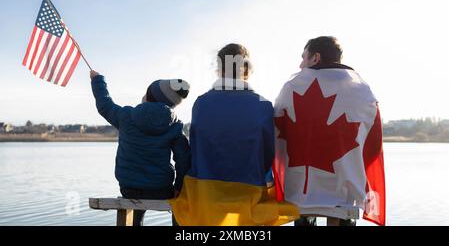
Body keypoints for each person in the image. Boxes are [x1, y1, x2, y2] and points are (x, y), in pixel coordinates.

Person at [169, 44, 299, 226]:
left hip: (206, 193)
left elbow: (197, 148)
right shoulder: (263, 105)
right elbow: (269, 155)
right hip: (249, 192)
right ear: (247, 70)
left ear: (219, 69)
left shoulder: (201, 103)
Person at [273, 36, 386, 226]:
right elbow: (373, 146)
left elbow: (276, 132)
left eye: (304, 57)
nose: (301, 65)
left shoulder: (291, 88)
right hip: (345, 192)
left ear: (316, 58)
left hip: (302, 190)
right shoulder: (362, 92)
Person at [90, 70, 191, 226]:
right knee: (180, 206)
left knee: (134, 209)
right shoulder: (175, 126)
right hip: (161, 188)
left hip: (129, 188)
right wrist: (179, 187)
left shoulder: (126, 115)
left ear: (149, 97)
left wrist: (97, 80)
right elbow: (183, 159)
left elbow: (104, 105)